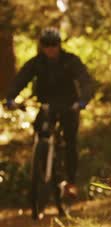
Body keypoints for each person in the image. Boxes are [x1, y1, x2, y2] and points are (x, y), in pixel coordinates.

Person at [4, 27, 94, 200]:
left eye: (54, 45)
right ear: (42, 46)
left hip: (70, 105)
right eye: (47, 45)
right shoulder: (37, 63)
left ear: (59, 45)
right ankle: (40, 163)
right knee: (39, 130)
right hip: (47, 105)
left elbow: (84, 80)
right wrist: (10, 98)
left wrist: (83, 101)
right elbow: (21, 78)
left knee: (70, 142)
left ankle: (71, 182)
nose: (50, 48)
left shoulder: (70, 61)